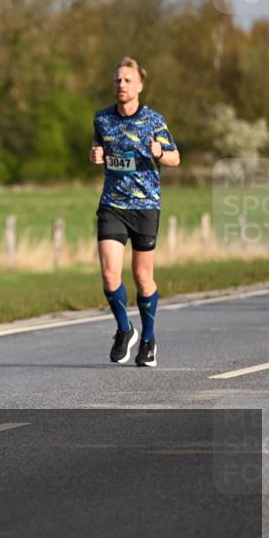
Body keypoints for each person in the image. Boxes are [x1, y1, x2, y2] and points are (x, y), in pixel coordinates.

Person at [90, 57, 179, 368]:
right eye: (117, 80)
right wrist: (96, 155)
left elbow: (176, 158)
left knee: (142, 277)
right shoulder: (102, 119)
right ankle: (125, 329)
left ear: (140, 86)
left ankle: (149, 339)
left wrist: (160, 152)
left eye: (127, 80)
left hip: (145, 206)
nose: (121, 85)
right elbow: (99, 149)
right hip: (113, 205)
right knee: (109, 274)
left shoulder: (154, 120)